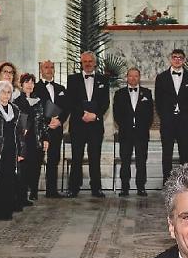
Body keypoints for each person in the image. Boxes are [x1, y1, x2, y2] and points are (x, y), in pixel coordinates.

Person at [65, 50, 110, 197]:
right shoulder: (72, 79)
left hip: (95, 125)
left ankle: (96, 188)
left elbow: (105, 102)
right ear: (81, 63)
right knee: (76, 157)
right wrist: (83, 114)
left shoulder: (103, 80)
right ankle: (73, 187)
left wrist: (95, 115)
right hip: (78, 124)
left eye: (90, 61)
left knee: (95, 157)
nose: (88, 64)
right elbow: (70, 102)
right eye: (85, 61)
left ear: (95, 63)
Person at [155, 49, 188, 182]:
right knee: (167, 153)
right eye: (174, 57)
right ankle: (167, 181)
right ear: (170, 59)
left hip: (184, 121)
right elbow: (158, 100)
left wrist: (182, 110)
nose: (177, 59)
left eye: (180, 57)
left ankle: (184, 181)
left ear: (184, 60)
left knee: (184, 153)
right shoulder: (161, 77)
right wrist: (166, 115)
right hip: (167, 121)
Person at [113, 66, 155, 196]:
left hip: (141, 133)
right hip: (125, 133)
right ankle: (124, 188)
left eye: (136, 76)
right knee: (125, 161)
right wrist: (126, 126)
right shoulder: (119, 94)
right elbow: (116, 114)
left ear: (139, 77)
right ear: (127, 77)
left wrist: (143, 127)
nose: (133, 78)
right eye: (130, 76)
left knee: (141, 162)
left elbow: (150, 114)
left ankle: (141, 187)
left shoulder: (147, 93)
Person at [35, 60, 69, 199]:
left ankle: (52, 191)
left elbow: (67, 107)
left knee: (54, 159)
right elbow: (35, 107)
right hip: (41, 129)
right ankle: (32, 191)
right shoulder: (35, 88)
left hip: (56, 129)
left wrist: (60, 120)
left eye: (51, 67)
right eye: (46, 67)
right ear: (41, 70)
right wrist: (48, 121)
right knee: (38, 159)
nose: (49, 70)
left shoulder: (61, 88)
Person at [0, 64, 21, 214]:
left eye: (8, 92)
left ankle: (6, 209)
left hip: (11, 147)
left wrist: (20, 150)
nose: (6, 95)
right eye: (3, 92)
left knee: (9, 176)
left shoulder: (14, 110)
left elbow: (19, 132)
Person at [15, 73, 45, 207]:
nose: (29, 85)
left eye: (32, 82)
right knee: (23, 169)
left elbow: (42, 122)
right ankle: (22, 196)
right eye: (27, 82)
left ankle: (33, 191)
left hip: (35, 139)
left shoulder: (38, 101)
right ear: (21, 84)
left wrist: (45, 138)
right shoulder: (17, 100)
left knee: (35, 167)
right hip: (23, 140)